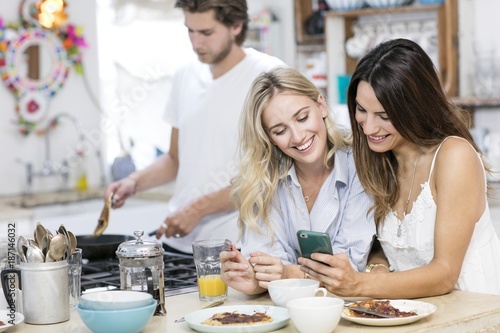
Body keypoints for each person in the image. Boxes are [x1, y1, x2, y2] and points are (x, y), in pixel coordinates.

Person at [298, 38, 500, 297]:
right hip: (416, 313)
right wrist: (377, 267)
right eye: (361, 110)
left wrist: (360, 283)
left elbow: (445, 273)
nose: (368, 128)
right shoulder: (378, 159)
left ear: (415, 109)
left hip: (476, 310)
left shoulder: (453, 156)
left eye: (384, 116)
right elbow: (389, 245)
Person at [105, 0, 286, 254]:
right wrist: (134, 182)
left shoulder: (269, 75)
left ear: (236, 26)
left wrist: (198, 209)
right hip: (178, 239)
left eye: (206, 33)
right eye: (190, 30)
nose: (195, 43)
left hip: (237, 246)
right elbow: (174, 159)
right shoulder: (184, 76)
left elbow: (274, 172)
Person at [220, 67, 376, 295]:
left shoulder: (360, 165)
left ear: (321, 105)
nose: (298, 136)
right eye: (280, 130)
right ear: (269, 138)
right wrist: (252, 279)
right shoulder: (262, 180)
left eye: (302, 118)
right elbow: (264, 261)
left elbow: (350, 266)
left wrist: (289, 274)